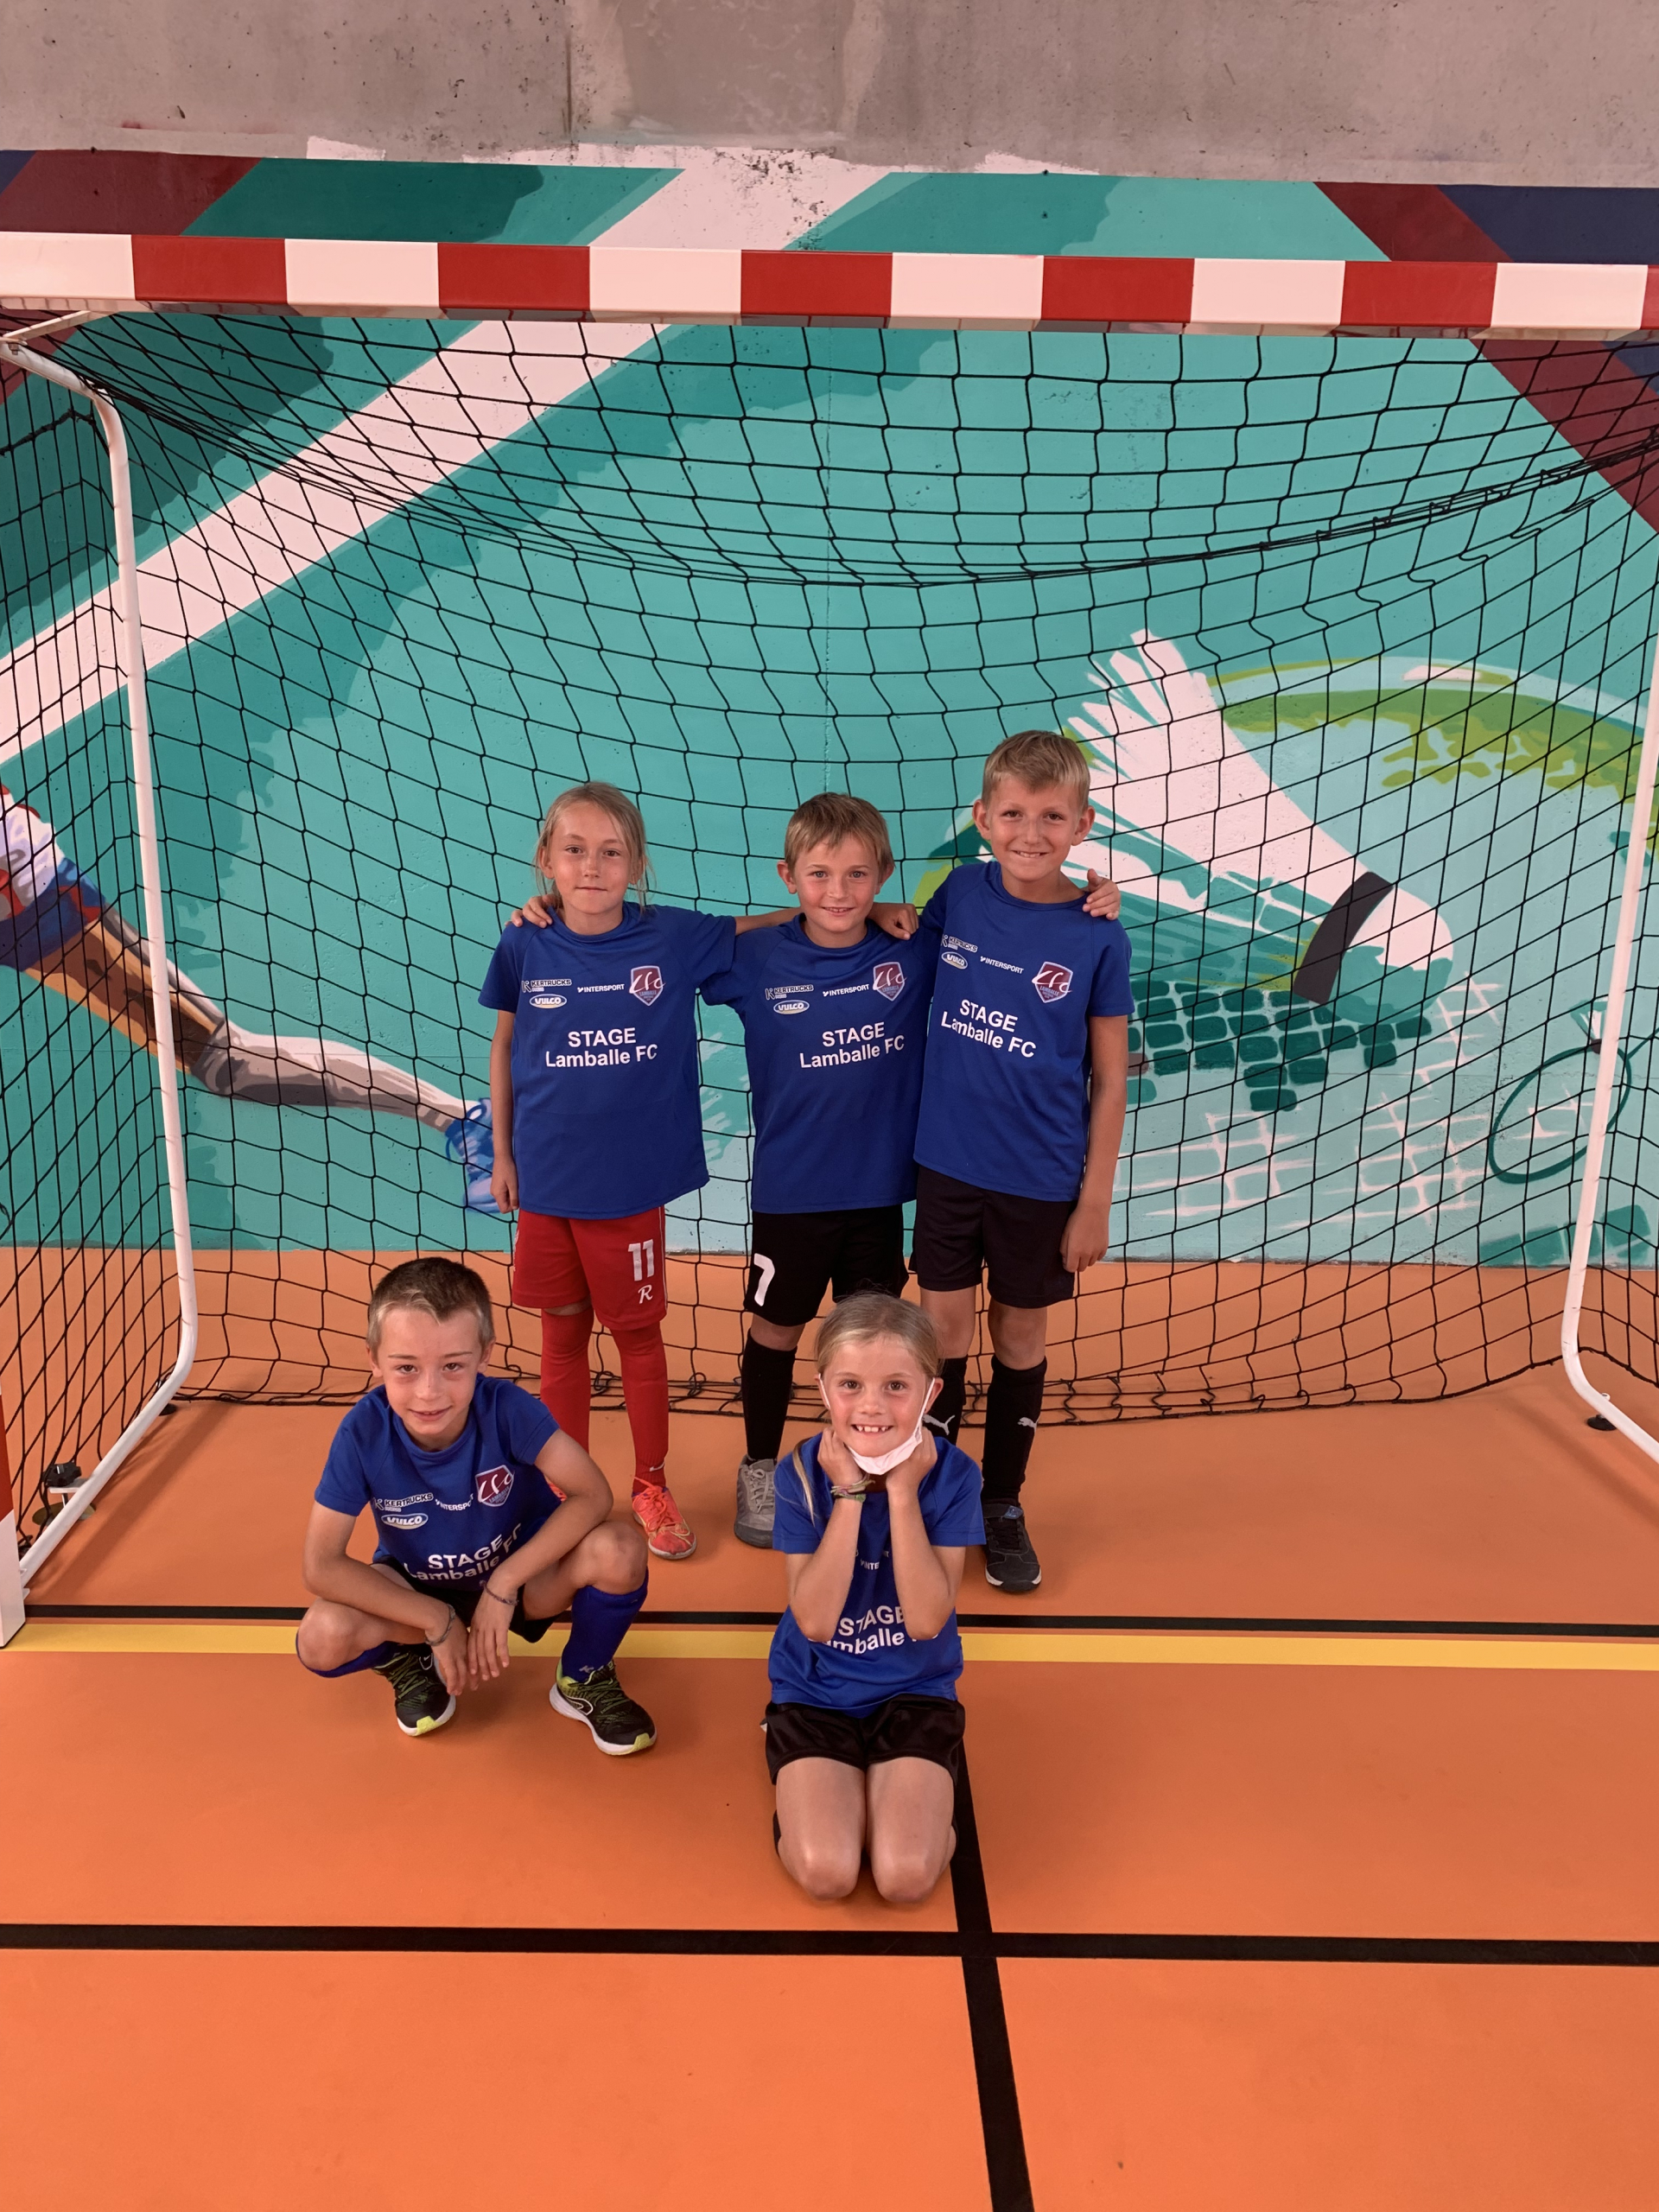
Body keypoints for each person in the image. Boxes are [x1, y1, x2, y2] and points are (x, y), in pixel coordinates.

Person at [487, 781, 919, 1562]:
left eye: (611, 852)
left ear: (637, 863)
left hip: (653, 1188)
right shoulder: (526, 941)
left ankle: (658, 1483)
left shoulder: (678, 937)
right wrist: (505, 1153)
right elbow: (506, 1044)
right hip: (559, 1186)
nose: (592, 867)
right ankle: (568, 1491)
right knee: (564, 1337)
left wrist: (875, 906)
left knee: (851, 1335)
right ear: (546, 858)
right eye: (575, 851)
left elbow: (759, 925)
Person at [702, 794, 1123, 1550]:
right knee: (777, 1328)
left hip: (884, 1194)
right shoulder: (757, 958)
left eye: (857, 876)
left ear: (884, 874)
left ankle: (872, 1468)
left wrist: (1091, 903)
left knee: (874, 1344)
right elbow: (675, 946)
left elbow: (999, 951)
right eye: (819, 875)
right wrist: (559, 914)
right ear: (789, 877)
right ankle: (760, 1463)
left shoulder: (913, 949)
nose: (838, 892)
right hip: (791, 1194)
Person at [0, 783, 499, 1206]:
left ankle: (465, 1119)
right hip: (19, 922)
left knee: (226, 1063)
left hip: (36, 909)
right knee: (227, 1064)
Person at [912, 729, 1134, 1596]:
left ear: (1082, 824)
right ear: (982, 818)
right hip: (946, 1163)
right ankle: (933, 1492)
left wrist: (1094, 1202)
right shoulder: (959, 894)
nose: (1030, 832)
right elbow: (901, 947)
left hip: (1041, 1177)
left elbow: (1110, 1080)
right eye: (1013, 814)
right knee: (941, 1333)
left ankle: (1001, 1501)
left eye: (1051, 816)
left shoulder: (1098, 935)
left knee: (1019, 1334)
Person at [295, 1255, 655, 1751]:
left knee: (620, 1549)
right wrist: (434, 1619)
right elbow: (320, 1565)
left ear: (485, 1355)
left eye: (453, 1366)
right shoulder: (363, 1432)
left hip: (524, 1582)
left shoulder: (507, 1409)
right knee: (322, 1636)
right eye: (406, 1368)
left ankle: (583, 1676)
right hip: (419, 1589)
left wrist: (504, 1584)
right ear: (374, 1359)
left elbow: (593, 1494)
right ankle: (409, 1660)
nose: (429, 1392)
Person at [766, 1293, 983, 1905]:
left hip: (915, 1692)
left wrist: (904, 1493)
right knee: (828, 1873)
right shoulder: (801, 1473)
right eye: (850, 1385)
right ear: (823, 1388)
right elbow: (814, 1621)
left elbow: (926, 1620)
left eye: (896, 1386)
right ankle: (820, 1794)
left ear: (930, 1394)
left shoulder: (955, 1475)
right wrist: (851, 1494)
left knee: (904, 1878)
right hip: (814, 1691)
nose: (871, 1406)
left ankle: (909, 1801)